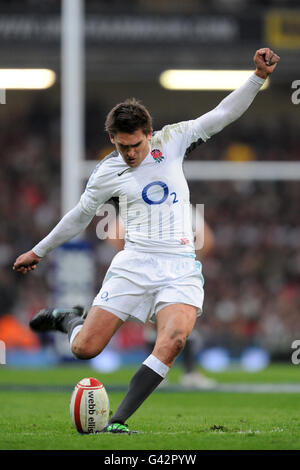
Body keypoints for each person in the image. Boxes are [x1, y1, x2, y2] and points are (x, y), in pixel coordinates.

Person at [13, 48, 279, 434]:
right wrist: (39, 250)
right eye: (122, 146)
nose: (131, 153)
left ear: (148, 134)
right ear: (112, 139)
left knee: (173, 339)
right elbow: (79, 217)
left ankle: (117, 422)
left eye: (136, 145)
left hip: (180, 267)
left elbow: (222, 114)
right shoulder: (107, 172)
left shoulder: (173, 141)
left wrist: (257, 77)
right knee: (84, 349)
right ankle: (67, 318)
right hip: (135, 263)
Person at [105, 204, 217, 388]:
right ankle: (188, 373)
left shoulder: (139, 204)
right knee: (182, 318)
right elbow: (208, 238)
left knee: (154, 322)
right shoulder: (181, 204)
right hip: (177, 272)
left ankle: (157, 377)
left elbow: (113, 235)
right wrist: (192, 261)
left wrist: (132, 260)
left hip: (146, 272)